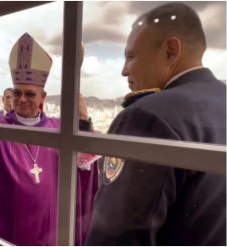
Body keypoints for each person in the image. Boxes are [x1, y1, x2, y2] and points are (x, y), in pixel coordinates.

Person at [86, 3, 226, 245]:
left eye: (131, 56)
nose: (123, 70)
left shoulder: (146, 117)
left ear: (170, 52)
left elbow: (116, 238)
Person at [0, 33, 99, 245]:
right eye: (17, 93)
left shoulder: (60, 129)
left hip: (50, 227)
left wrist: (83, 121)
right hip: (6, 228)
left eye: (30, 94)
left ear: (43, 98)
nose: (22, 100)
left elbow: (85, 162)